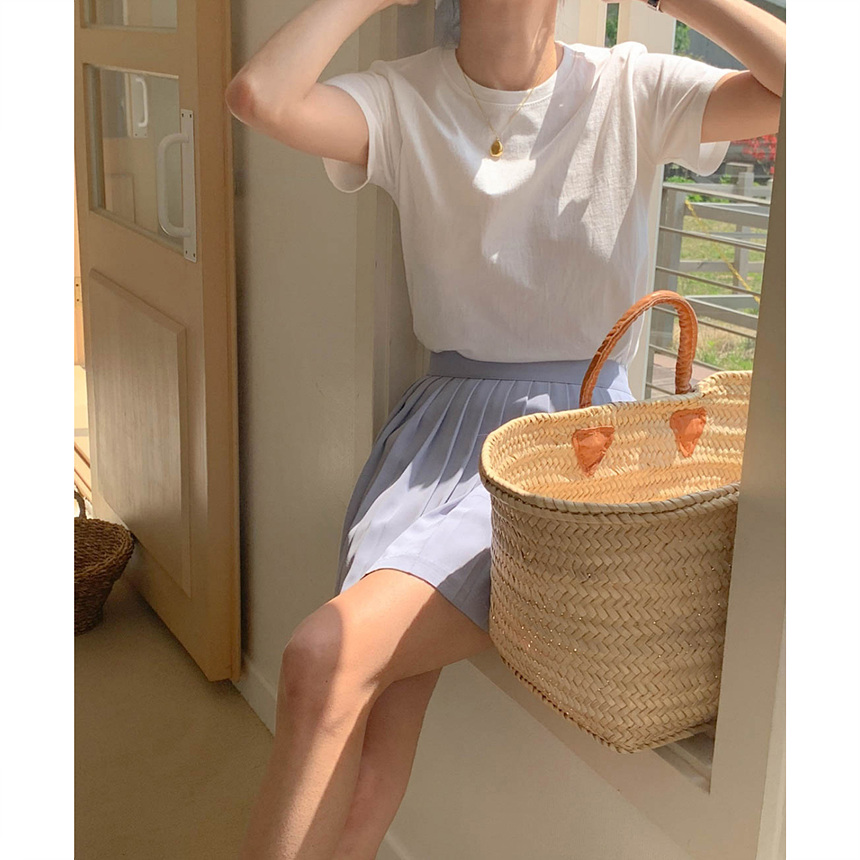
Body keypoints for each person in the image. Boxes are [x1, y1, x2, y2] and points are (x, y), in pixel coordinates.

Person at [226, 0, 784, 857]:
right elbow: (258, 96)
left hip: (566, 456)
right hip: (434, 437)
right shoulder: (403, 96)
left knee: (319, 661)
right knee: (367, 730)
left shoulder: (631, 88)